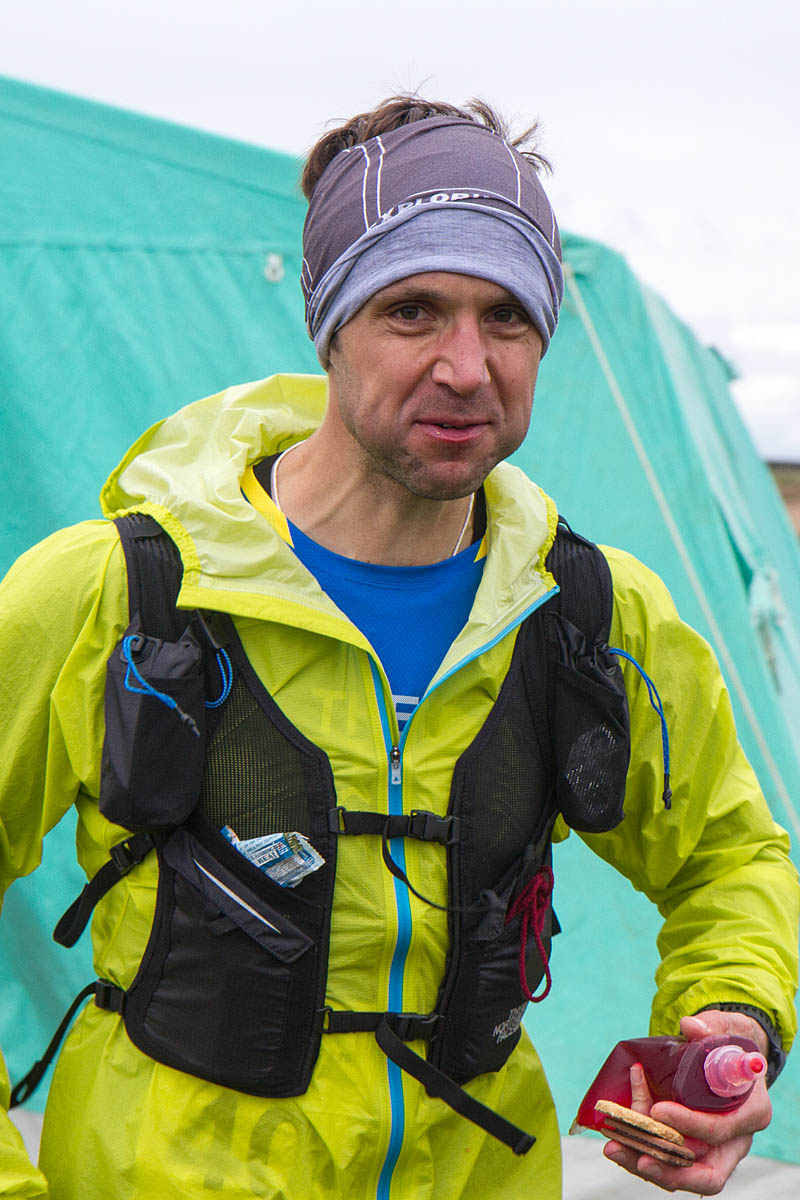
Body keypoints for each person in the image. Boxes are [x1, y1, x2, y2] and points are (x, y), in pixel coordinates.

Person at [0, 96, 797, 1200]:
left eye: (506, 316)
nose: (466, 367)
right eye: (412, 310)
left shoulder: (589, 614)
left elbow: (728, 857)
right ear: (328, 325)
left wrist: (728, 1021)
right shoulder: (117, 593)